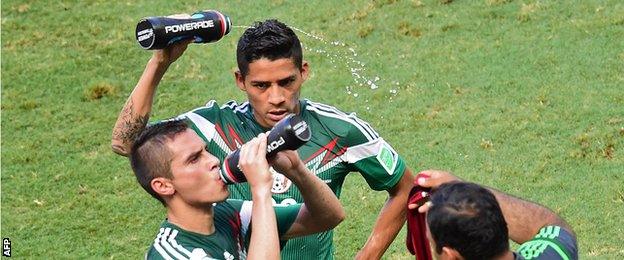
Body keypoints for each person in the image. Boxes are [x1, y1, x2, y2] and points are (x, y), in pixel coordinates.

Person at [112, 19, 415, 259]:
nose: (277, 98)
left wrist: (368, 254)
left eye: (287, 82)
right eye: (261, 85)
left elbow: (404, 187)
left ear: (304, 72)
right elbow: (128, 142)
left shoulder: (339, 128)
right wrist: (160, 62)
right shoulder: (210, 126)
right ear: (240, 81)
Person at [130, 119, 345, 259]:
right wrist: (260, 189)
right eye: (194, 159)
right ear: (163, 186)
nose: (214, 160)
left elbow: (329, 217)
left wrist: (297, 170)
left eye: (205, 151)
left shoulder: (227, 213)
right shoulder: (174, 254)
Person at [409, 170, 578, 260]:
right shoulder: (554, 254)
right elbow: (553, 226)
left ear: (450, 255)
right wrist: (467, 192)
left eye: (431, 242)